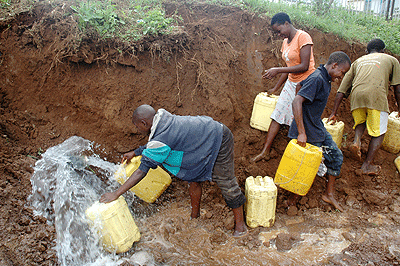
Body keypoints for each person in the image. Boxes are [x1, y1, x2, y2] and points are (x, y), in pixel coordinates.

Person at [100, 105, 247, 236]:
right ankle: (194, 218)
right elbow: (157, 142)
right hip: (203, 135)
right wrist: (136, 152)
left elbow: (141, 170)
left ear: (144, 123)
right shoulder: (162, 120)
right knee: (193, 178)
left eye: (137, 126)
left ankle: (241, 228)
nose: (137, 130)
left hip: (218, 138)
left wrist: (117, 193)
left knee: (226, 181)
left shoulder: (162, 136)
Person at [288, 51, 351, 211]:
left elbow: (299, 86)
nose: (341, 76)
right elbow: (297, 101)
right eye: (341, 72)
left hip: (316, 128)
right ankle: (292, 203)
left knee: (336, 157)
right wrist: (301, 132)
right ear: (335, 65)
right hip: (308, 132)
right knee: (305, 167)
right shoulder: (318, 78)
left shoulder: (324, 77)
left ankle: (328, 195)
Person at [329, 39, 400, 175]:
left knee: (361, 121)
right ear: (383, 50)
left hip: (356, 95)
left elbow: (342, 90)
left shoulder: (358, 61)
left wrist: (334, 112)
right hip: (376, 95)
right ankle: (367, 165)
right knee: (379, 132)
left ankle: (356, 141)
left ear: (367, 51)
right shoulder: (391, 60)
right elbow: (397, 88)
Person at [252, 12, 316, 162]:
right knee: (277, 115)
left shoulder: (303, 37)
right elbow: (289, 68)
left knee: (300, 120)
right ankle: (265, 151)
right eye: (276, 32)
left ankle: (297, 157)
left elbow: (304, 66)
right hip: (291, 82)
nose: (279, 34)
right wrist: (275, 88)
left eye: (279, 30)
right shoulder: (285, 42)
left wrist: (278, 70)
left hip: (306, 83)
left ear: (286, 23)